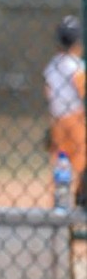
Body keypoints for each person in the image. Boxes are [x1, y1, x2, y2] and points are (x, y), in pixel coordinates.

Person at [43, 15, 86, 200]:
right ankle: (81, 196)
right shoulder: (76, 64)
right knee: (81, 159)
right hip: (76, 117)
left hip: (57, 118)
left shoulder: (52, 65)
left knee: (61, 160)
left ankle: (61, 197)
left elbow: (48, 92)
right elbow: (82, 88)